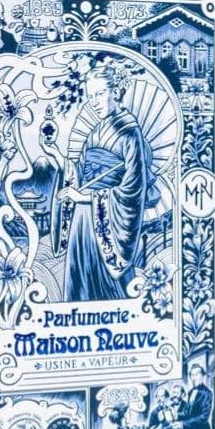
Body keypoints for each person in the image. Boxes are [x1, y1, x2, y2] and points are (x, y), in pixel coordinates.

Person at [41, 65, 157, 301]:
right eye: (90, 95)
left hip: (108, 221)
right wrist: (56, 156)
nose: (94, 102)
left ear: (116, 92)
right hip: (82, 220)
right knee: (80, 282)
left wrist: (84, 197)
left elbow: (133, 188)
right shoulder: (95, 131)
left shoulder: (130, 133)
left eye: (100, 94)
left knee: (107, 287)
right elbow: (79, 173)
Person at [173, 365, 213, 429]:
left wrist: (183, 424)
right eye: (192, 375)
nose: (194, 378)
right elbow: (187, 412)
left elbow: (204, 417)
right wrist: (176, 415)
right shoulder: (190, 392)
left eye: (196, 374)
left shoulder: (207, 393)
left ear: (202, 376)